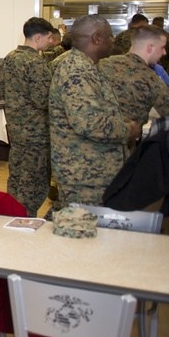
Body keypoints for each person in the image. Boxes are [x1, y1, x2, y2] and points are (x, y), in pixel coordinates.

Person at [49, 15, 140, 207]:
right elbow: (89, 124)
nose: (113, 41)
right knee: (82, 230)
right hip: (85, 176)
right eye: (110, 36)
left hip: (95, 171)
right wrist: (128, 130)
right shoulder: (77, 71)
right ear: (97, 38)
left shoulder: (88, 67)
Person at [0, 17, 57, 217]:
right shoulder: (36, 62)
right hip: (36, 133)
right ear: (37, 38)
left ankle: (11, 213)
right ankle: (24, 219)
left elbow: (0, 90)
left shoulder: (10, 57)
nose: (51, 42)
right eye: (49, 38)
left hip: (15, 129)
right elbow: (43, 99)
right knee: (35, 181)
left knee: (17, 176)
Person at [99, 25, 169, 128]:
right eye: (162, 47)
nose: (164, 53)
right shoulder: (150, 78)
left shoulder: (103, 64)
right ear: (150, 47)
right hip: (124, 140)